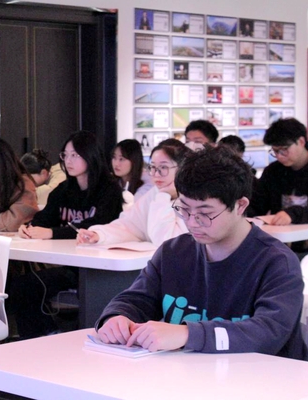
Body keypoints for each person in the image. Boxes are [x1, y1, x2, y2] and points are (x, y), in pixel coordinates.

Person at [93, 146, 307, 361]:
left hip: (263, 376)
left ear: (240, 205)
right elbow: (135, 300)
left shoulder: (277, 262)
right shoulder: (173, 252)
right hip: (188, 374)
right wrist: (116, 317)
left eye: (205, 213)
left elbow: (269, 332)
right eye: (184, 209)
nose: (192, 222)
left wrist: (188, 334)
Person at [12, 131, 123, 338]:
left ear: (90, 155)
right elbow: (44, 218)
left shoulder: (109, 190)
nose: (68, 161)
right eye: (65, 155)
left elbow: (98, 225)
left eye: (75, 155)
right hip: (71, 267)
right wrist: (27, 227)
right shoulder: (63, 189)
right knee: (21, 286)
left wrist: (51, 234)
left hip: (99, 270)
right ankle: (44, 335)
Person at [77, 139, 191, 247]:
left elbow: (167, 241)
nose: (156, 174)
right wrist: (99, 235)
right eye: (153, 167)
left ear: (181, 168)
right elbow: (129, 225)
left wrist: (163, 196)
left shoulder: (193, 199)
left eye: (163, 167)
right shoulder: (155, 193)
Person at [249, 118, 308, 231]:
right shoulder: (272, 171)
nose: (279, 156)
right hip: (280, 237)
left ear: (301, 142)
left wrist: (293, 214)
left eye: (284, 150)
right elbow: (258, 205)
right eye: (275, 151)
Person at [110, 139, 153, 204]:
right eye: (114, 157)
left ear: (134, 161)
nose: (116, 163)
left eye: (121, 159)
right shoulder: (113, 181)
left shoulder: (147, 184)